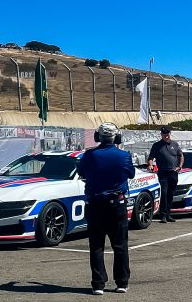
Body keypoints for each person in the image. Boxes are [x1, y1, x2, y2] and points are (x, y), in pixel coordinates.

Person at [77, 123, 135, 296]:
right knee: (120, 245)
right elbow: (131, 174)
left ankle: (98, 284)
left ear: (98, 137)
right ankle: (122, 282)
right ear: (116, 138)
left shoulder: (90, 155)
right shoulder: (124, 156)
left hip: (95, 205)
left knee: (96, 246)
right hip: (116, 205)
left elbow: (81, 172)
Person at [147, 126, 184, 223]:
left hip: (173, 173)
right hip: (163, 173)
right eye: (164, 135)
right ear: (161, 135)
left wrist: (179, 167)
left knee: (171, 194)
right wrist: (150, 165)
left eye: (167, 135)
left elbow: (181, 156)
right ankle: (162, 215)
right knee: (164, 193)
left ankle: (168, 214)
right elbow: (151, 157)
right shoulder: (157, 145)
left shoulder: (175, 144)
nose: (166, 137)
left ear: (170, 134)